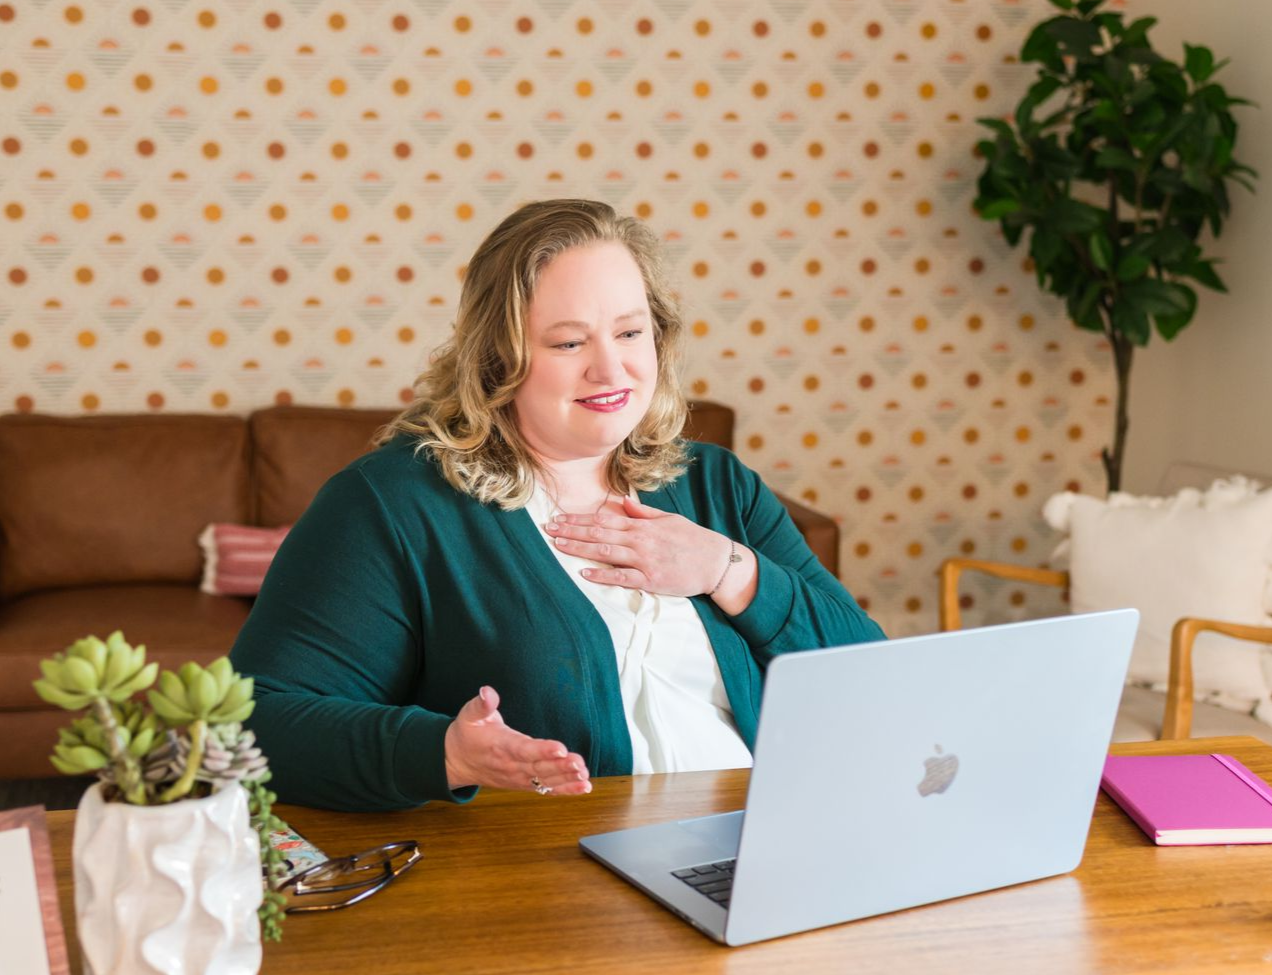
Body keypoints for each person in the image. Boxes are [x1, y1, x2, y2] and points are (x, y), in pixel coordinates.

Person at [232, 199, 884, 812]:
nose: (612, 369)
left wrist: (731, 570)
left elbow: (870, 676)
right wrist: (443, 754)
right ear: (496, 358)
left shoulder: (717, 485)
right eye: (569, 343)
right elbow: (258, 720)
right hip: (552, 893)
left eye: (630, 332)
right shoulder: (393, 505)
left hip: (753, 855)